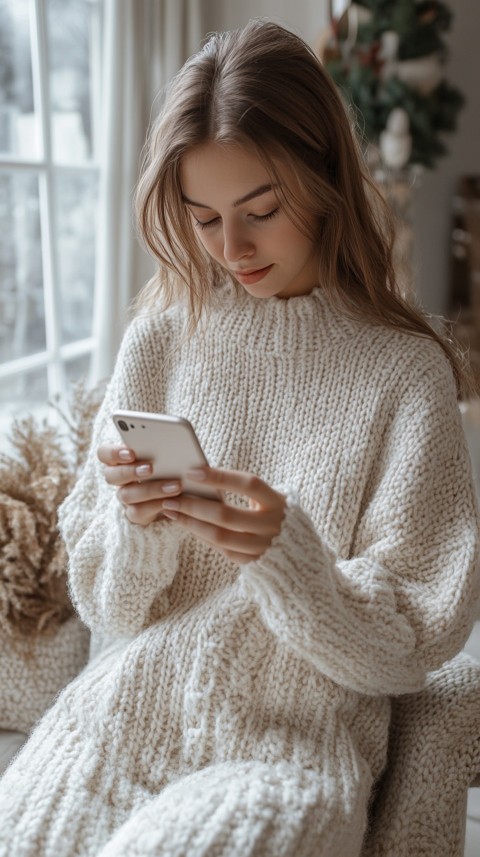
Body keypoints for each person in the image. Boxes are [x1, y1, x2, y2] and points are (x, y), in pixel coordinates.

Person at [0, 18, 479, 857]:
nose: (231, 248)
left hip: (284, 750)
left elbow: (414, 639)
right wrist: (135, 527)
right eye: (204, 216)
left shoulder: (406, 373)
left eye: (262, 210)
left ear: (325, 178)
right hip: (112, 718)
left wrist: (289, 556)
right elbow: (106, 601)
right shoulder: (161, 335)